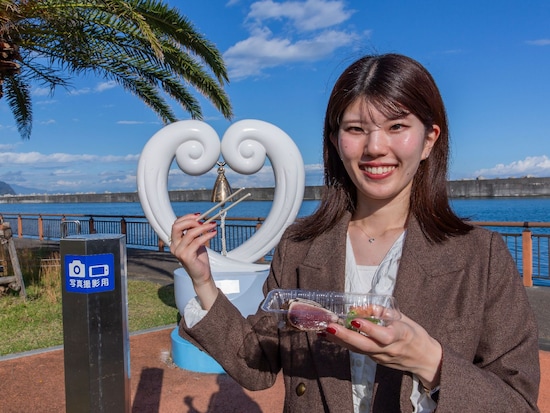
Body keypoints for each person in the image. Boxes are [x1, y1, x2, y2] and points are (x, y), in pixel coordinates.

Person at [170, 53, 540, 412]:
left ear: (429, 139)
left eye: (396, 126)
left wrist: (431, 362)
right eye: (355, 129)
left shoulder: (480, 257)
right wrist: (203, 280)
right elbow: (256, 366)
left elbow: (518, 402)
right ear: (335, 141)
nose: (375, 147)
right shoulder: (300, 247)